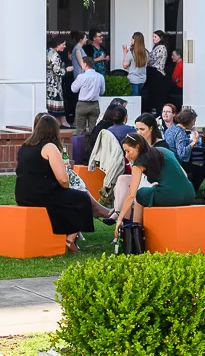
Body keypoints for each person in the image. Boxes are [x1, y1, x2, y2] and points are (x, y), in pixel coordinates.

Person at [16, 113, 96, 252]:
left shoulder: (25, 145)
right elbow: (63, 180)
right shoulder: (49, 147)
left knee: (66, 199)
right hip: (43, 194)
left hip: (23, 195)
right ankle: (70, 238)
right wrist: (65, 186)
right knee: (82, 198)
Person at [114, 133, 195, 239]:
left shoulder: (139, 164)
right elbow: (184, 174)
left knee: (140, 195)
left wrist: (119, 219)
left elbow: (131, 194)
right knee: (150, 191)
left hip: (171, 196)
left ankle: (136, 234)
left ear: (137, 147)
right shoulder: (162, 150)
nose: (126, 155)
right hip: (190, 193)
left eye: (128, 151)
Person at [164, 107, 204, 191]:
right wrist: (194, 142)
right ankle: (191, 190)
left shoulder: (170, 129)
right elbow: (182, 153)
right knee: (202, 170)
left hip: (168, 161)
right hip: (177, 163)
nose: (194, 124)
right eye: (194, 121)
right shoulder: (181, 132)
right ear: (188, 121)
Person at [72, 58, 106, 137]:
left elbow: (74, 89)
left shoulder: (81, 76)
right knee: (94, 130)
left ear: (85, 64)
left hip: (82, 104)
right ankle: (92, 147)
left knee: (80, 130)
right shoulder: (100, 76)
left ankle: (80, 148)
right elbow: (102, 92)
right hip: (94, 105)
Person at [46, 36, 68, 121]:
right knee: (56, 101)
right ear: (58, 44)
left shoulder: (48, 51)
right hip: (54, 83)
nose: (64, 46)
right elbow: (57, 71)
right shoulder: (54, 55)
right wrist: (66, 70)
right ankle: (58, 122)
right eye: (63, 44)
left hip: (48, 81)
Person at [121, 32, 148, 96]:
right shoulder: (146, 52)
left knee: (134, 100)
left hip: (133, 79)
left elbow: (125, 65)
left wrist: (125, 53)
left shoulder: (131, 52)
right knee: (140, 99)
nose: (131, 39)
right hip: (142, 79)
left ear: (135, 40)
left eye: (132, 38)